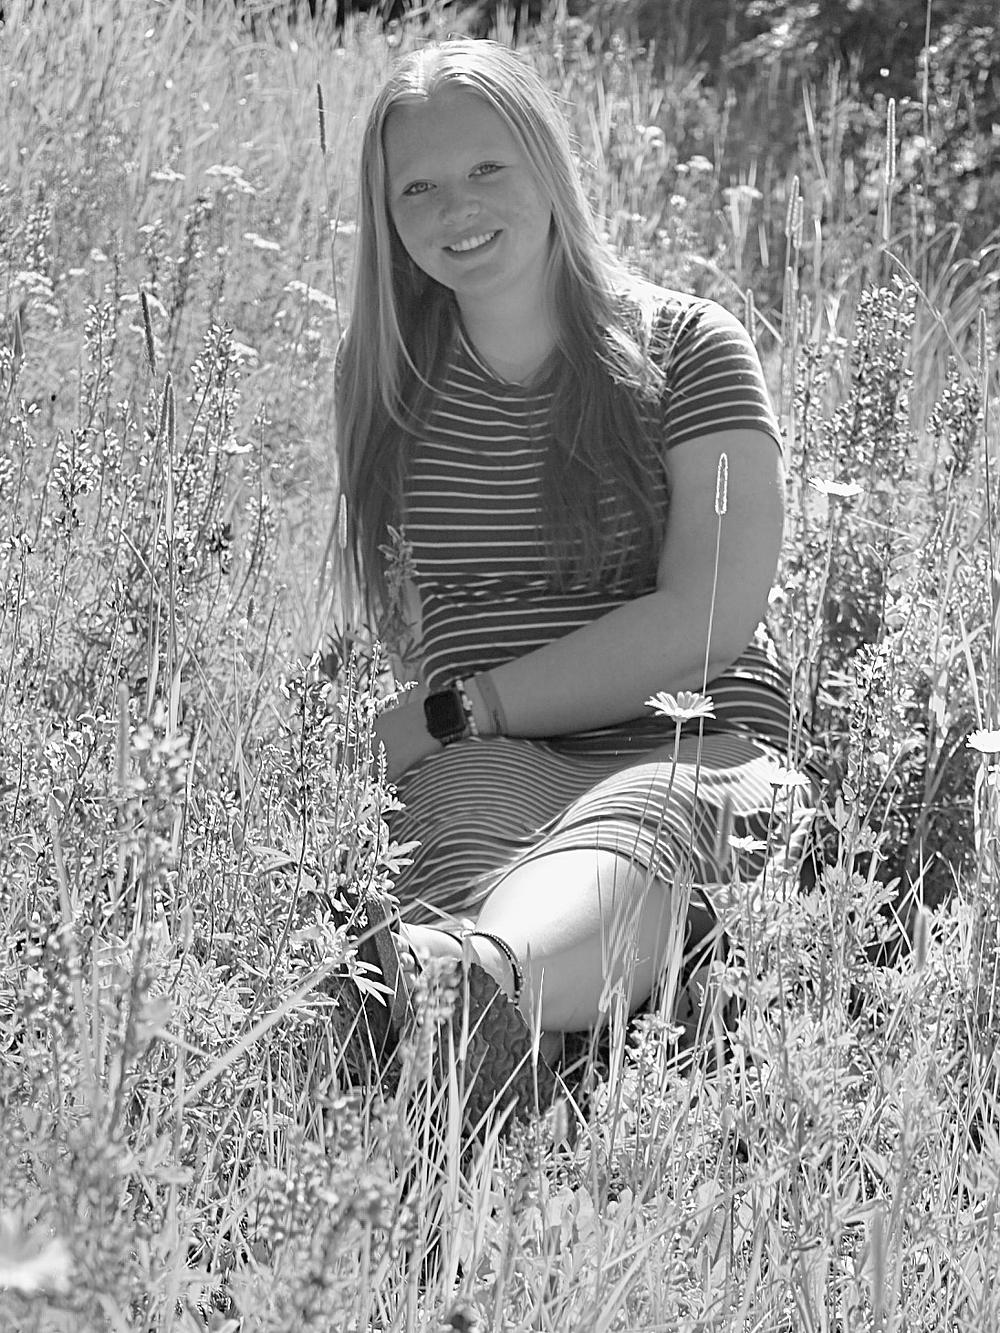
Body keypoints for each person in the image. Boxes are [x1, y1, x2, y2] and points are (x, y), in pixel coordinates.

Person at [334, 38, 814, 1071]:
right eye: (417, 187)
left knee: (639, 827)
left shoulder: (692, 347)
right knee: (465, 826)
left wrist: (460, 710)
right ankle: (491, 1021)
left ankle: (477, 988)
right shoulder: (390, 382)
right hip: (489, 757)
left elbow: (707, 618)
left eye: (485, 167)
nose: (456, 209)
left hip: (689, 736)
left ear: (548, 163)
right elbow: (411, 617)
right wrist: (454, 734)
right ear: (387, 215)